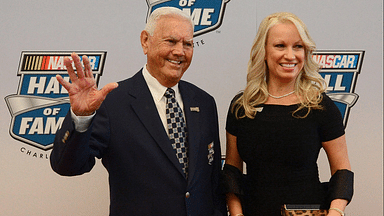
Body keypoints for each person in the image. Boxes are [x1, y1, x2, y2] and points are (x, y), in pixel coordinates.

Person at [50, 7, 226, 216]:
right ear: (145, 41)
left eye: (187, 44)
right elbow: (68, 166)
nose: (180, 51)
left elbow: (213, 183)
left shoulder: (204, 103)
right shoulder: (112, 102)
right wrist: (81, 118)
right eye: (170, 41)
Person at [222, 12, 353, 216]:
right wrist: (236, 214)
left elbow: (342, 171)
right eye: (280, 45)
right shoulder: (242, 106)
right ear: (263, 51)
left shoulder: (320, 107)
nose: (290, 55)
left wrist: (336, 212)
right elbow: (232, 172)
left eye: (298, 46)